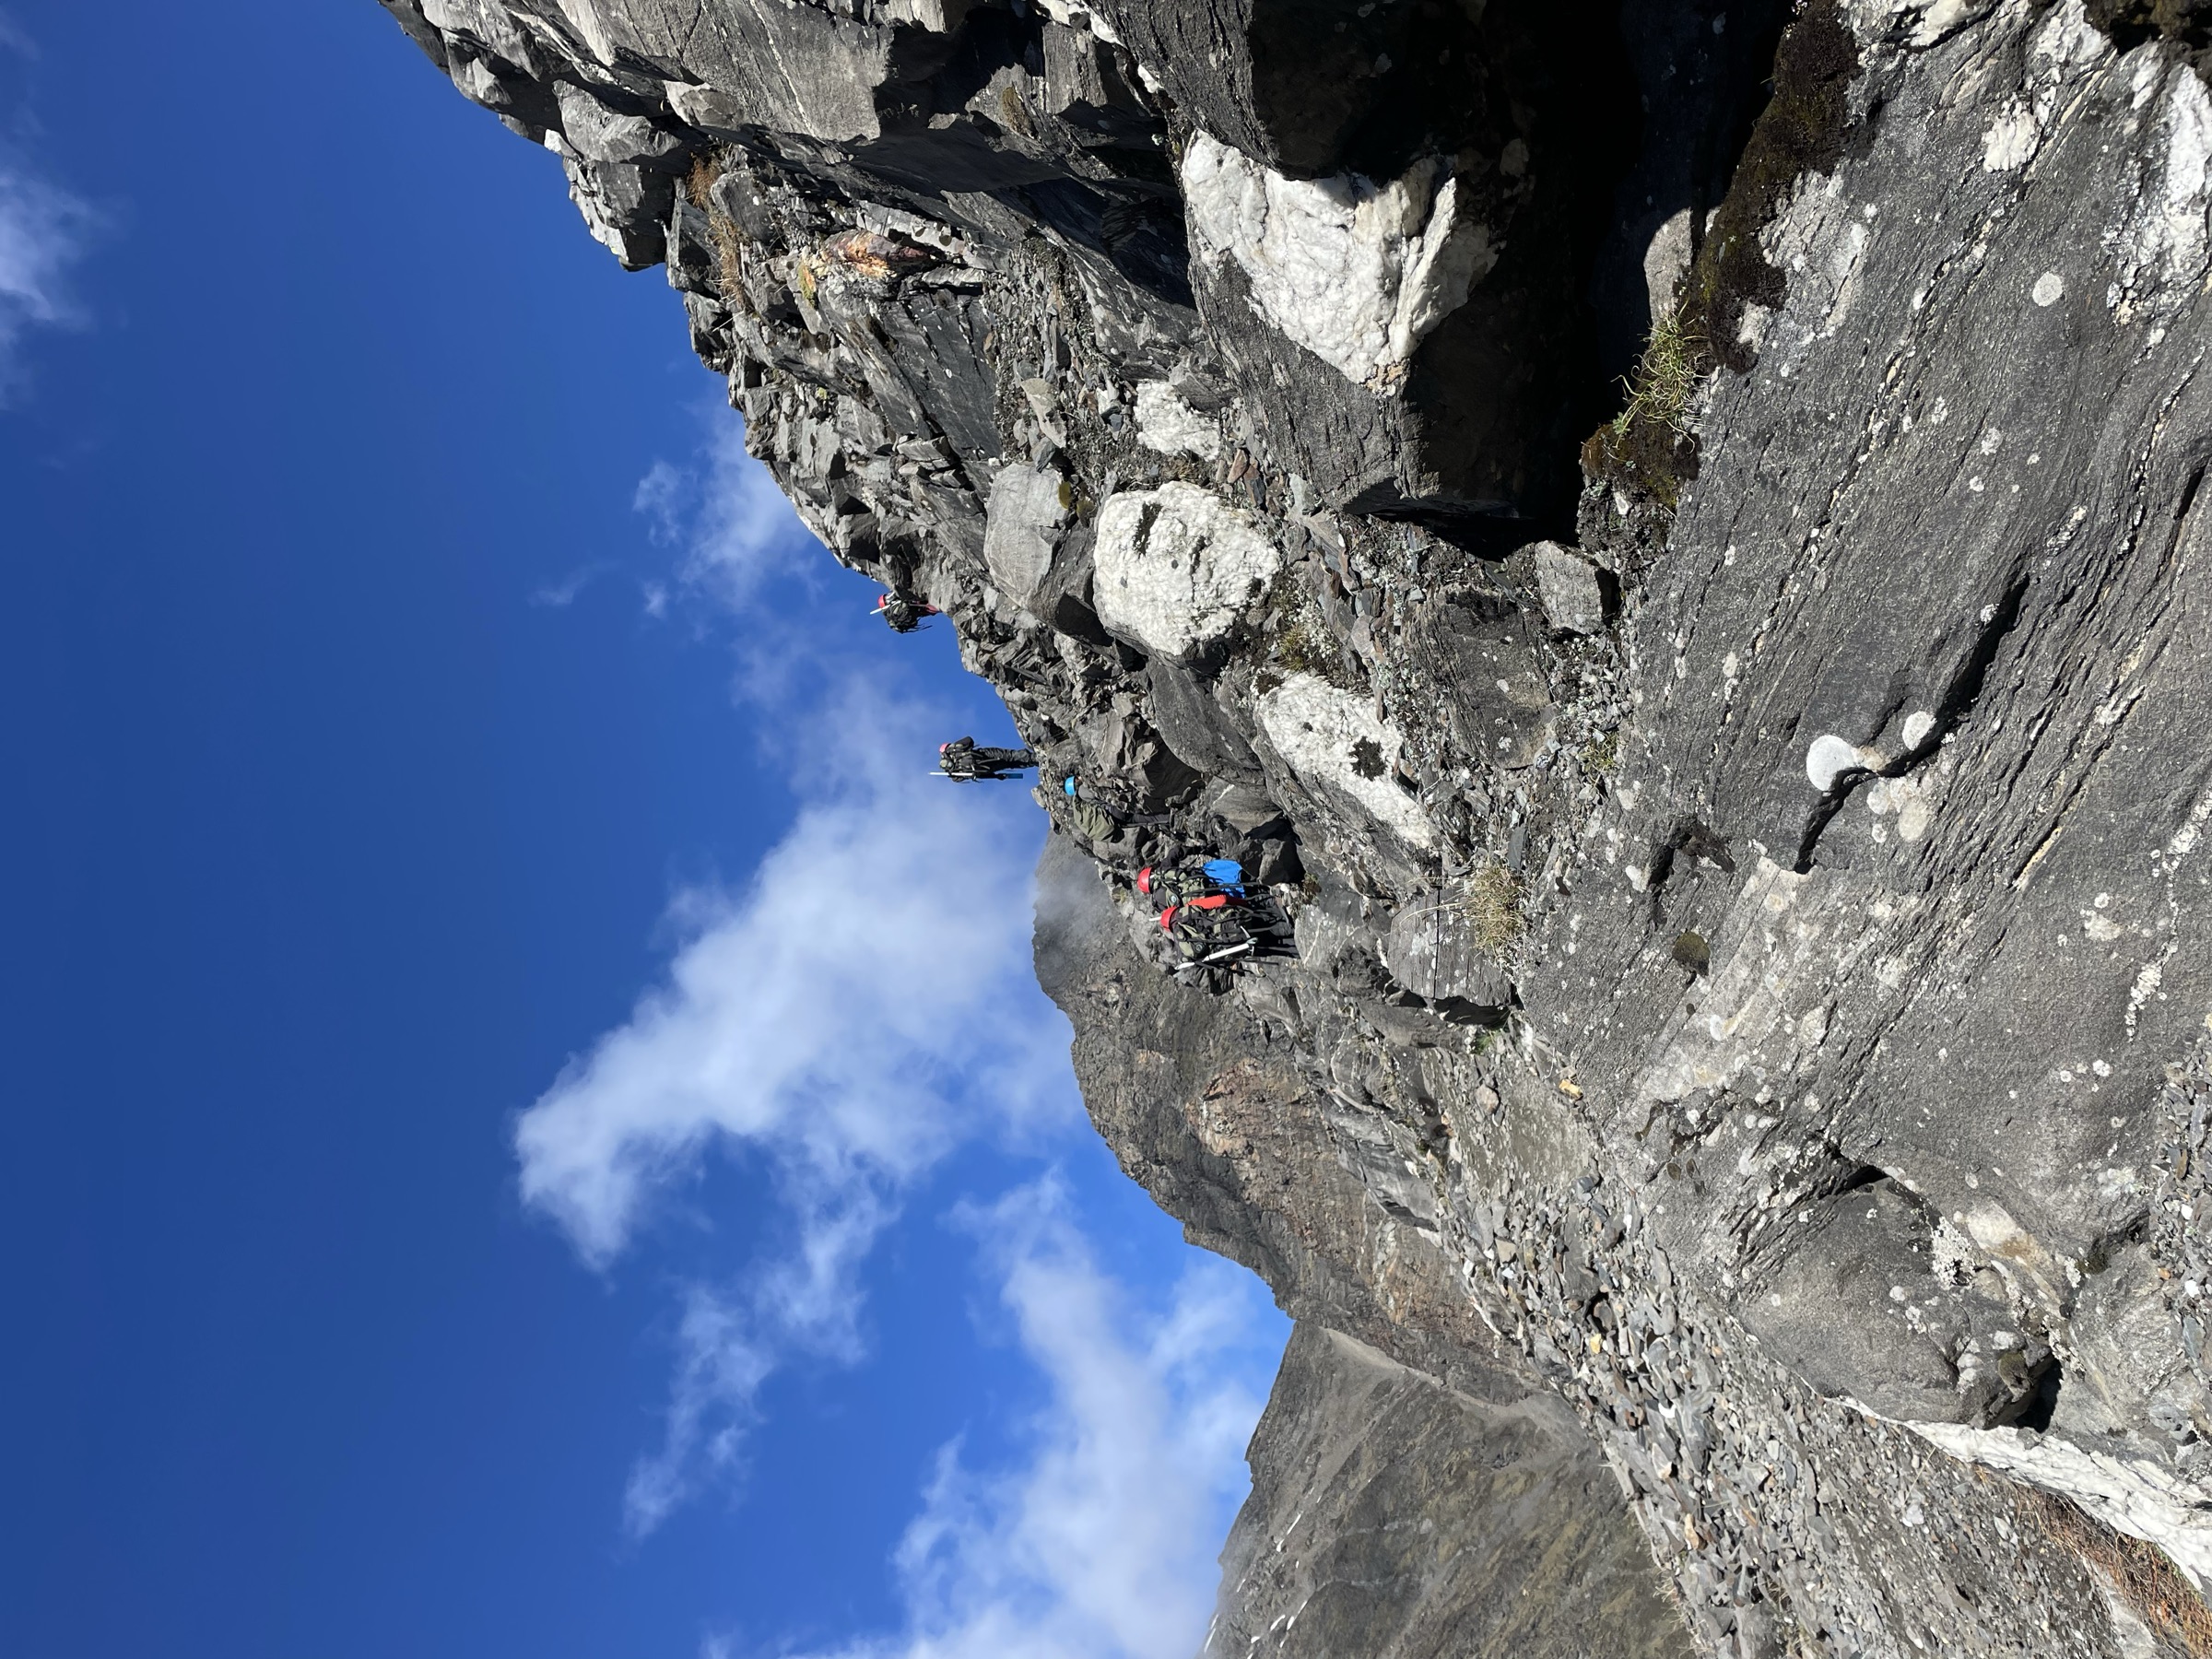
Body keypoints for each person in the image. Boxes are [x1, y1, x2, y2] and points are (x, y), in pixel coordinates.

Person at [938, 736, 1036, 781]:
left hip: (985, 769)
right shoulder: (956, 750)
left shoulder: (955, 772)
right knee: (1009, 755)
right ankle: (1035, 758)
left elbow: (975, 775)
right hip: (984, 755)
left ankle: (1033, 762)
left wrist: (995, 776)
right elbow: (969, 740)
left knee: (1009, 763)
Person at [875, 592, 939, 633]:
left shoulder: (894, 615)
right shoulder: (895, 605)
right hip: (919, 604)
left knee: (935, 606)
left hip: (922, 609)